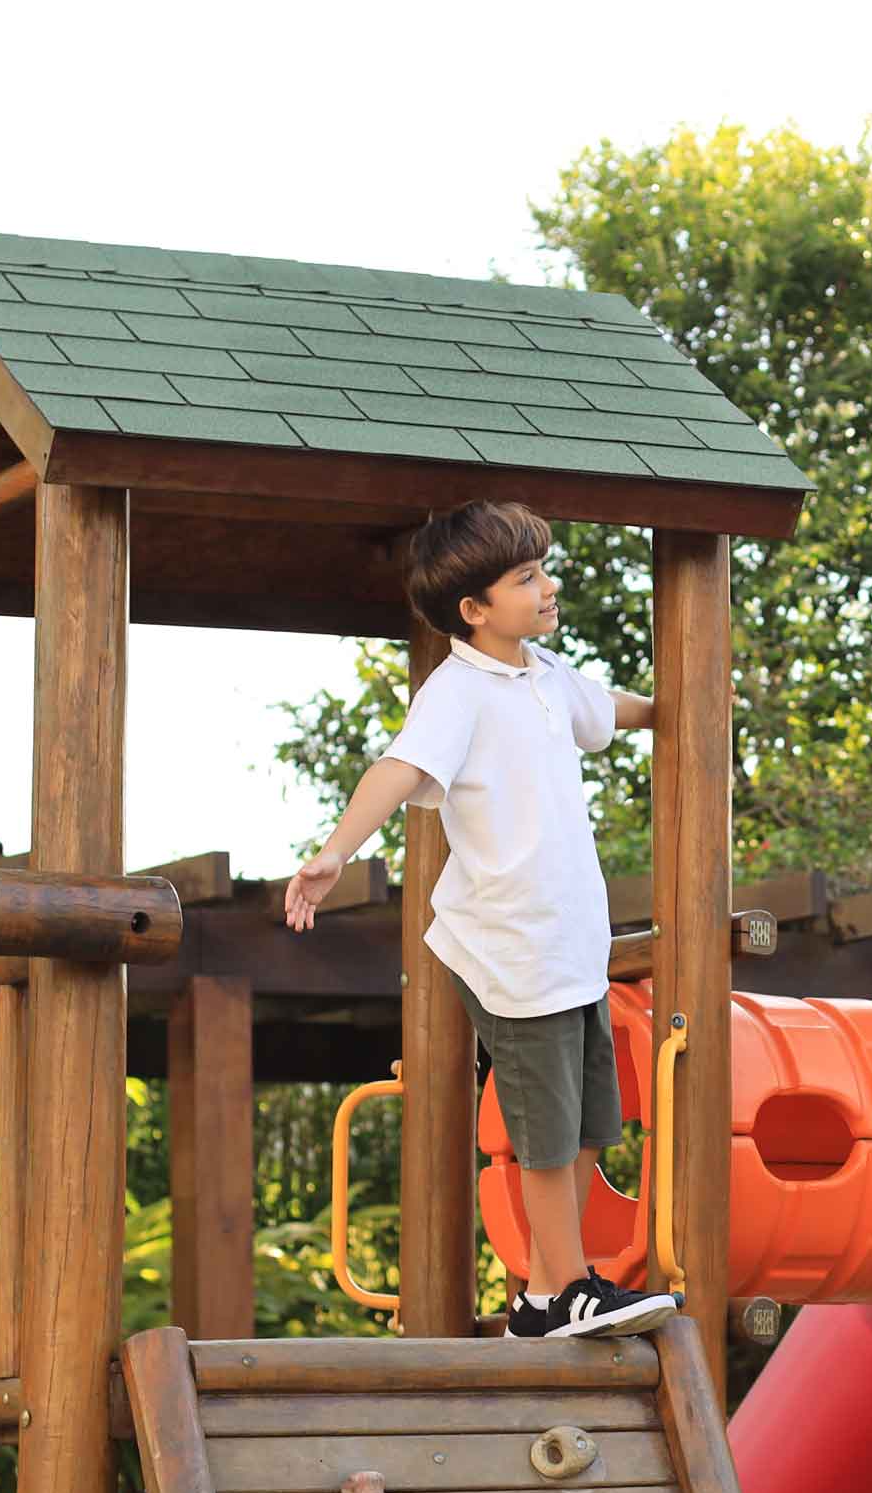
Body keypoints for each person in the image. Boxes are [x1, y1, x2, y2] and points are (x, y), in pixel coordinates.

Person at [283, 500, 680, 1338]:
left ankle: (545, 1294)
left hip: (572, 945)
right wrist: (335, 851)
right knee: (542, 1132)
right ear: (474, 610)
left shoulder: (547, 677)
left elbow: (612, 709)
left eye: (543, 569)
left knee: (586, 1126)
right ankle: (569, 1286)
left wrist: (687, 705)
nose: (547, 586)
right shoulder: (457, 690)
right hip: (511, 944)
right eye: (526, 578)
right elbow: (398, 769)